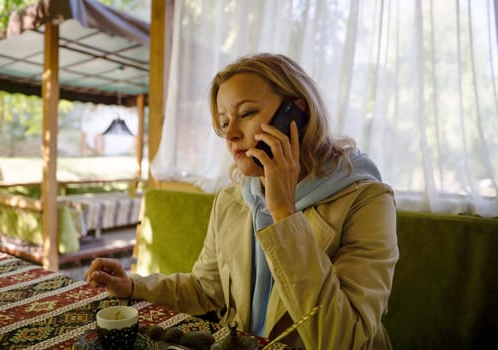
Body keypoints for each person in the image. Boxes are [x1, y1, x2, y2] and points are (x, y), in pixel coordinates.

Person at [86, 53, 399, 349]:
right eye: (224, 122)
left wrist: (284, 212)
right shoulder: (232, 200)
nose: (230, 133)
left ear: (297, 113)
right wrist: (132, 286)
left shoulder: (368, 201)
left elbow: (344, 338)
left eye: (247, 113)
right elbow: (204, 289)